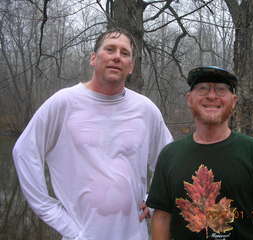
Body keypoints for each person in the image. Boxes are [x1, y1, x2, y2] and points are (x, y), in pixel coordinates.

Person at [12, 28, 172, 240]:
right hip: (81, 235)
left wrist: (154, 201)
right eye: (110, 49)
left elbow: (169, 162)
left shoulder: (145, 109)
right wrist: (55, 215)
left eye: (125, 53)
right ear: (94, 58)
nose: (117, 57)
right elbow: (25, 152)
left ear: (131, 66)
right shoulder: (64, 103)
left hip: (135, 234)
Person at [146, 66, 253, 240]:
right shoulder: (169, 155)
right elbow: (162, 218)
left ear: (233, 101)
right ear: (189, 99)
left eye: (221, 90)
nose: (211, 96)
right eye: (203, 89)